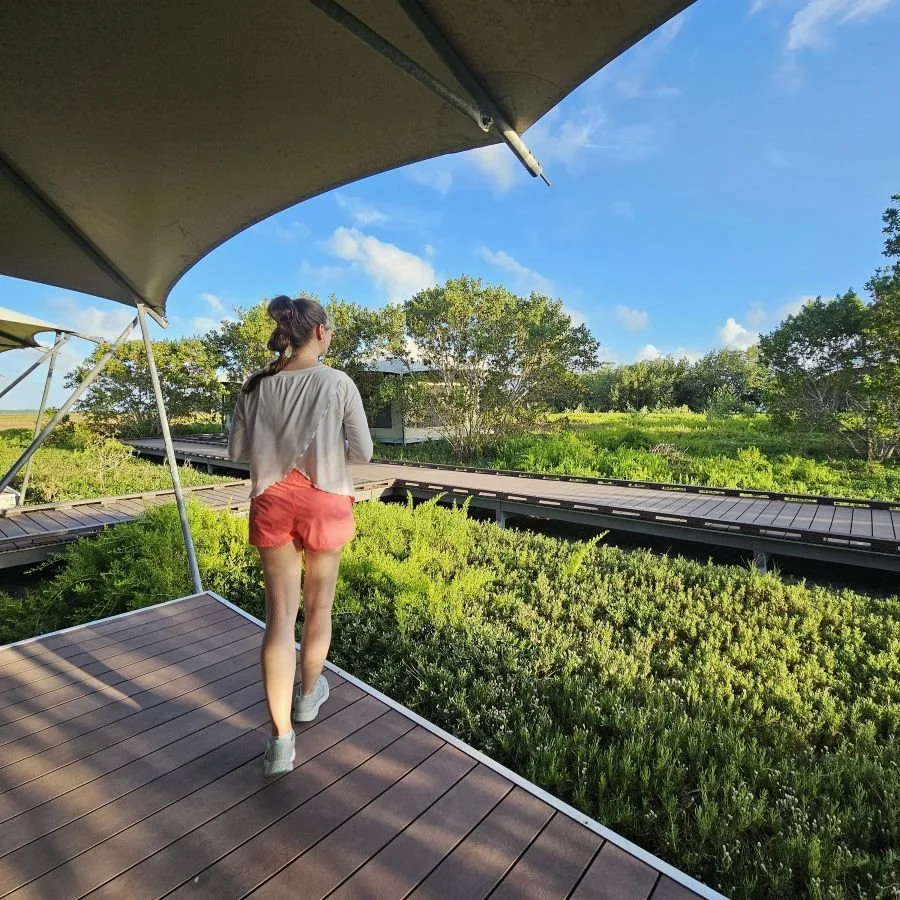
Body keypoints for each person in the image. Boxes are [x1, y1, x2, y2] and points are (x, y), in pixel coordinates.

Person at [228, 295, 373, 777]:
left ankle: (281, 742)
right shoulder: (337, 382)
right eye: (329, 330)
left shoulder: (255, 385)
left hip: (271, 500)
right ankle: (309, 696)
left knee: (278, 621)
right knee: (320, 607)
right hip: (326, 500)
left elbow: (237, 452)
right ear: (320, 332)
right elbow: (365, 452)